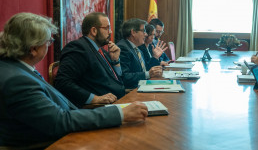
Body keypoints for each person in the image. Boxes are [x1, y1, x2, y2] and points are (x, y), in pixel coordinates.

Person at [0, 13, 148, 147]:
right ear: (33, 49)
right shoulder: (17, 81)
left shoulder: (17, 68)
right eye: (48, 41)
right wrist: (120, 113)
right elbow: (59, 121)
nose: (49, 45)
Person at [55, 12, 124, 108]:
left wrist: (116, 61)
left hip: (120, 101)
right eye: (107, 28)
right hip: (100, 109)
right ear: (94, 31)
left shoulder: (101, 50)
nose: (110, 32)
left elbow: (117, 80)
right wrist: (95, 99)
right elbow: (63, 82)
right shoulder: (78, 48)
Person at [117, 18, 165, 89]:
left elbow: (146, 69)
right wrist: (148, 74)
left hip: (143, 86)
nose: (146, 34)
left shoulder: (136, 48)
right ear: (133, 32)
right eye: (143, 31)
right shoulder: (123, 48)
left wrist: (155, 57)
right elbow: (124, 77)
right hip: (133, 91)